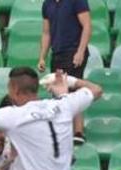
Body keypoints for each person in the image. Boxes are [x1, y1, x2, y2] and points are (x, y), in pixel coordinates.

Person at [39, 0, 91, 144]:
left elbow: (86, 26)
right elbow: (46, 32)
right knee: (59, 90)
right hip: (57, 53)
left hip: (73, 51)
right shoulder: (47, 4)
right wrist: (42, 57)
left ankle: (78, 131)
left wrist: (80, 51)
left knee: (72, 89)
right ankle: (64, 130)